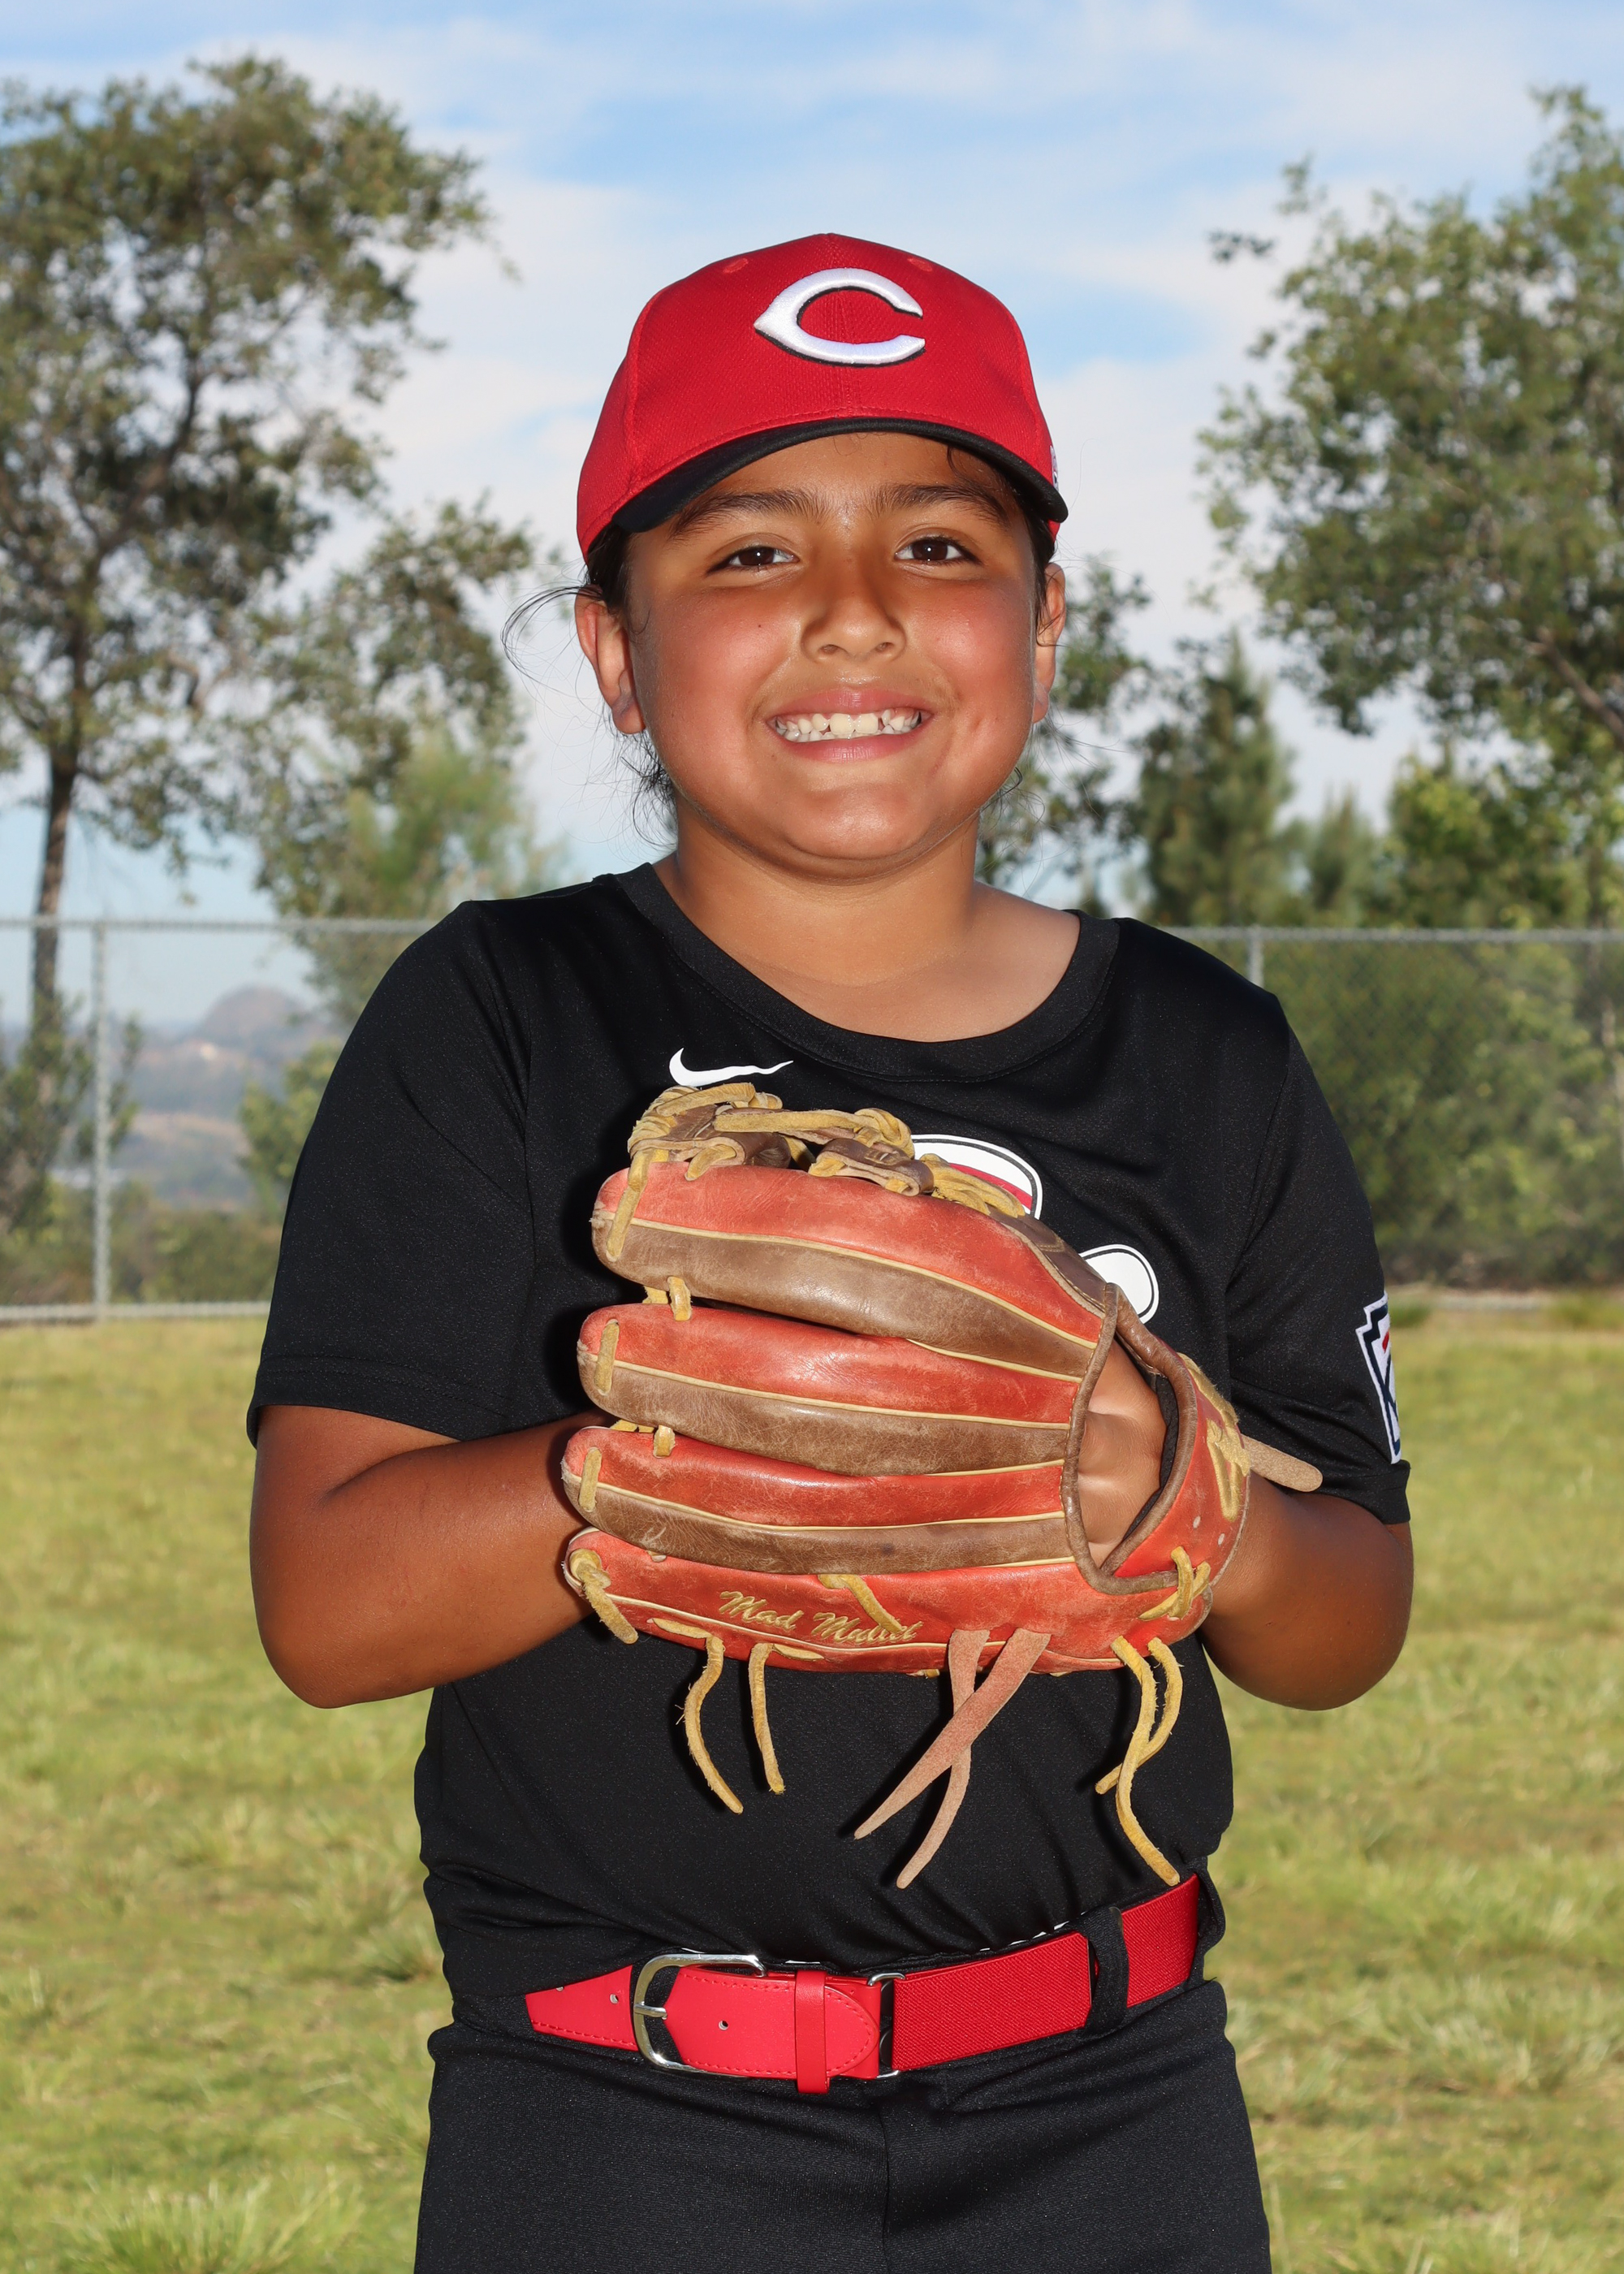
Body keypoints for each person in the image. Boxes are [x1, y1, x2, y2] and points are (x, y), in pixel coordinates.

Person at [248, 233, 1412, 2273]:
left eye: (939, 545)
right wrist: (686, 1451)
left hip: (1112, 2103)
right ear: (617, 650)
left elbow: (1352, 1618)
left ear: (1045, 620)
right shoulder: (503, 1012)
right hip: (616, 2112)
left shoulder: (1206, 1052)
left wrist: (1201, 1514)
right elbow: (326, 1608)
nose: (855, 610)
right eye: (752, 551)